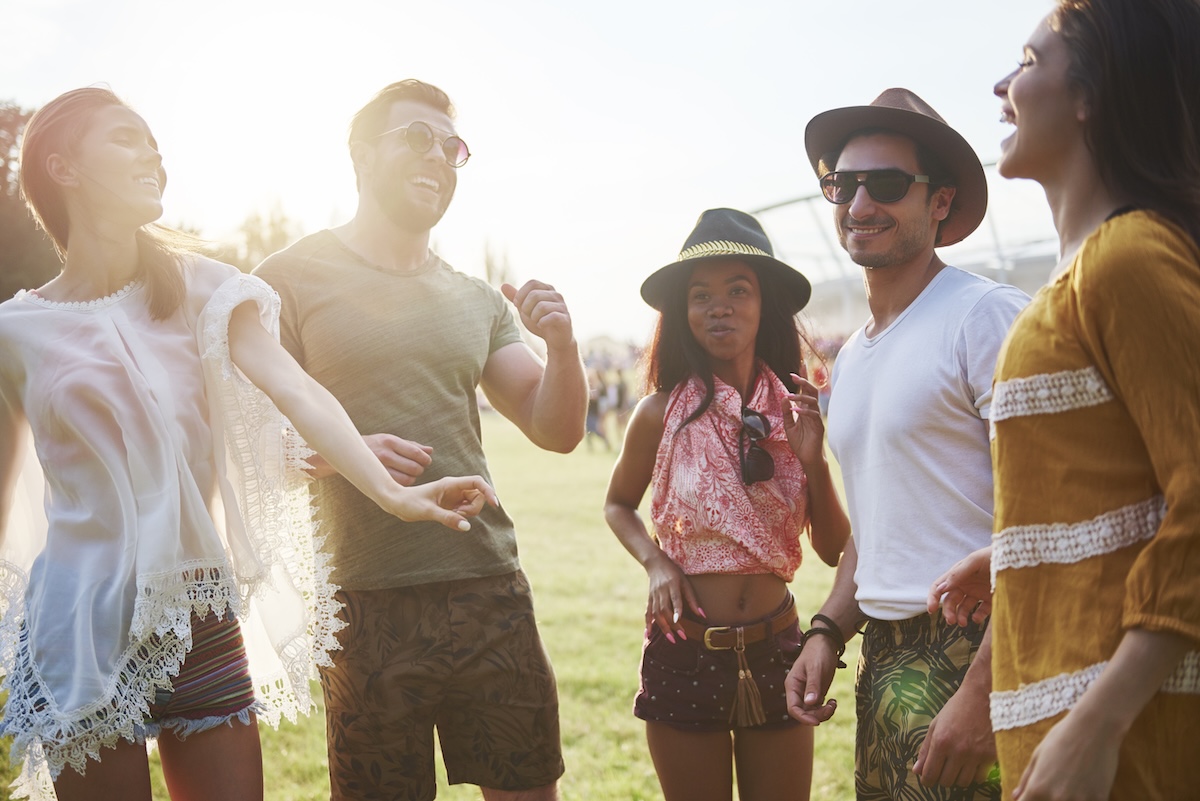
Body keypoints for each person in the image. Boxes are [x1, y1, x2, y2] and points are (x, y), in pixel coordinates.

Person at [0, 87, 498, 801]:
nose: (153, 153)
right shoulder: (15, 333)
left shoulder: (208, 290)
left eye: (154, 141)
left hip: (201, 610)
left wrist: (393, 492)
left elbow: (297, 391)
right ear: (62, 167)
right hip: (77, 628)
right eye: (126, 138)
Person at [253, 79, 586, 801]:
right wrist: (339, 447)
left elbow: (554, 427)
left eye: (452, 145)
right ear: (361, 154)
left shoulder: (476, 299)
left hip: (489, 589)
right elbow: (243, 441)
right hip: (364, 602)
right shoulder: (283, 281)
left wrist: (561, 346)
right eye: (416, 137)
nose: (438, 155)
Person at [926, 2, 1200, 798]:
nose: (1002, 84)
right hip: (1073, 723)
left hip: (1125, 736)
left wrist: (1101, 718)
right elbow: (1126, 481)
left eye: (1028, 60)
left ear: (1091, 95)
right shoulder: (1087, 270)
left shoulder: (1129, 257)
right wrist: (1018, 551)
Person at [782, 89, 1030, 800]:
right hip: (885, 660)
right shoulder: (853, 358)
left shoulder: (985, 317)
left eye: (887, 184)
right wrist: (827, 630)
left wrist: (984, 691)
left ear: (940, 201)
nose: (860, 202)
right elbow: (879, 530)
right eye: (843, 183)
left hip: (981, 647)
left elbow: (1045, 511)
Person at [604, 208, 849, 801]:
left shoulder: (798, 408)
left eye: (738, 290)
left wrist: (812, 458)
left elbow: (835, 547)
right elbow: (618, 504)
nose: (720, 306)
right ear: (683, 315)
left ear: (763, 304)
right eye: (701, 295)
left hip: (778, 650)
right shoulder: (658, 413)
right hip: (686, 650)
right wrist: (656, 561)